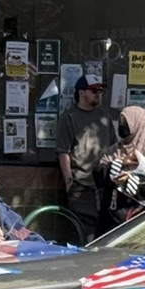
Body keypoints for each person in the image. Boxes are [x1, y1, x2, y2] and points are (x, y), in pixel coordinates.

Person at [56, 76, 120, 238]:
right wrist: (69, 181)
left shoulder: (104, 117)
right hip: (82, 185)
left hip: (105, 185)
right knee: (84, 233)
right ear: (82, 93)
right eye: (94, 90)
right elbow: (63, 151)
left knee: (106, 233)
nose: (98, 93)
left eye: (100, 90)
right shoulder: (69, 117)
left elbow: (114, 147)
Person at [103, 106, 145, 224]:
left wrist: (130, 181)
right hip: (113, 217)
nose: (122, 126)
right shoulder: (114, 150)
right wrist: (118, 165)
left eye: (126, 123)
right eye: (120, 122)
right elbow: (99, 174)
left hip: (143, 218)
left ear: (137, 124)